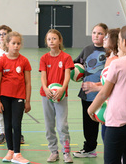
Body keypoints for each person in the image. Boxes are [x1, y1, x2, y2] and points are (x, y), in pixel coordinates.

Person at [87, 23, 126, 163]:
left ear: (123, 42)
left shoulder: (118, 64)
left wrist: (91, 110)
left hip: (118, 123)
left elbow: (104, 93)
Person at [0, 31, 31, 164]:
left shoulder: (24, 61)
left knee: (16, 124)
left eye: (18, 43)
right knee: (7, 124)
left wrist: (28, 101)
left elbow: (28, 83)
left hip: (19, 97)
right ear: (7, 44)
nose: (16, 46)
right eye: (13, 43)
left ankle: (17, 153)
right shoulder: (2, 61)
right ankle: (10, 151)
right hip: (5, 97)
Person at [73, 23, 108, 158]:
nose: (96, 36)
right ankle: (89, 149)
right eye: (94, 33)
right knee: (88, 124)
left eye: (100, 33)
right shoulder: (86, 49)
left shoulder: (109, 52)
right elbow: (77, 65)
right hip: (87, 94)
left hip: (104, 94)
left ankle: (112, 149)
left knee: (106, 123)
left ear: (105, 35)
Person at [39, 29, 74, 163]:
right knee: (49, 125)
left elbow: (67, 76)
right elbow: (43, 76)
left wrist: (62, 89)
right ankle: (53, 151)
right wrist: (46, 89)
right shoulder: (44, 58)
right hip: (46, 95)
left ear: (59, 41)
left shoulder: (66, 57)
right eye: (49, 39)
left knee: (62, 125)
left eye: (54, 38)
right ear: (46, 42)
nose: (51, 41)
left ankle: (66, 152)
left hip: (61, 95)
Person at [82, 28, 120, 141]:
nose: (103, 38)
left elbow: (114, 86)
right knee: (106, 136)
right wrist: (97, 84)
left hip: (114, 105)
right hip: (108, 104)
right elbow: (107, 81)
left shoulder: (116, 60)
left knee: (110, 138)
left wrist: (96, 87)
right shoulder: (110, 57)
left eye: (106, 37)